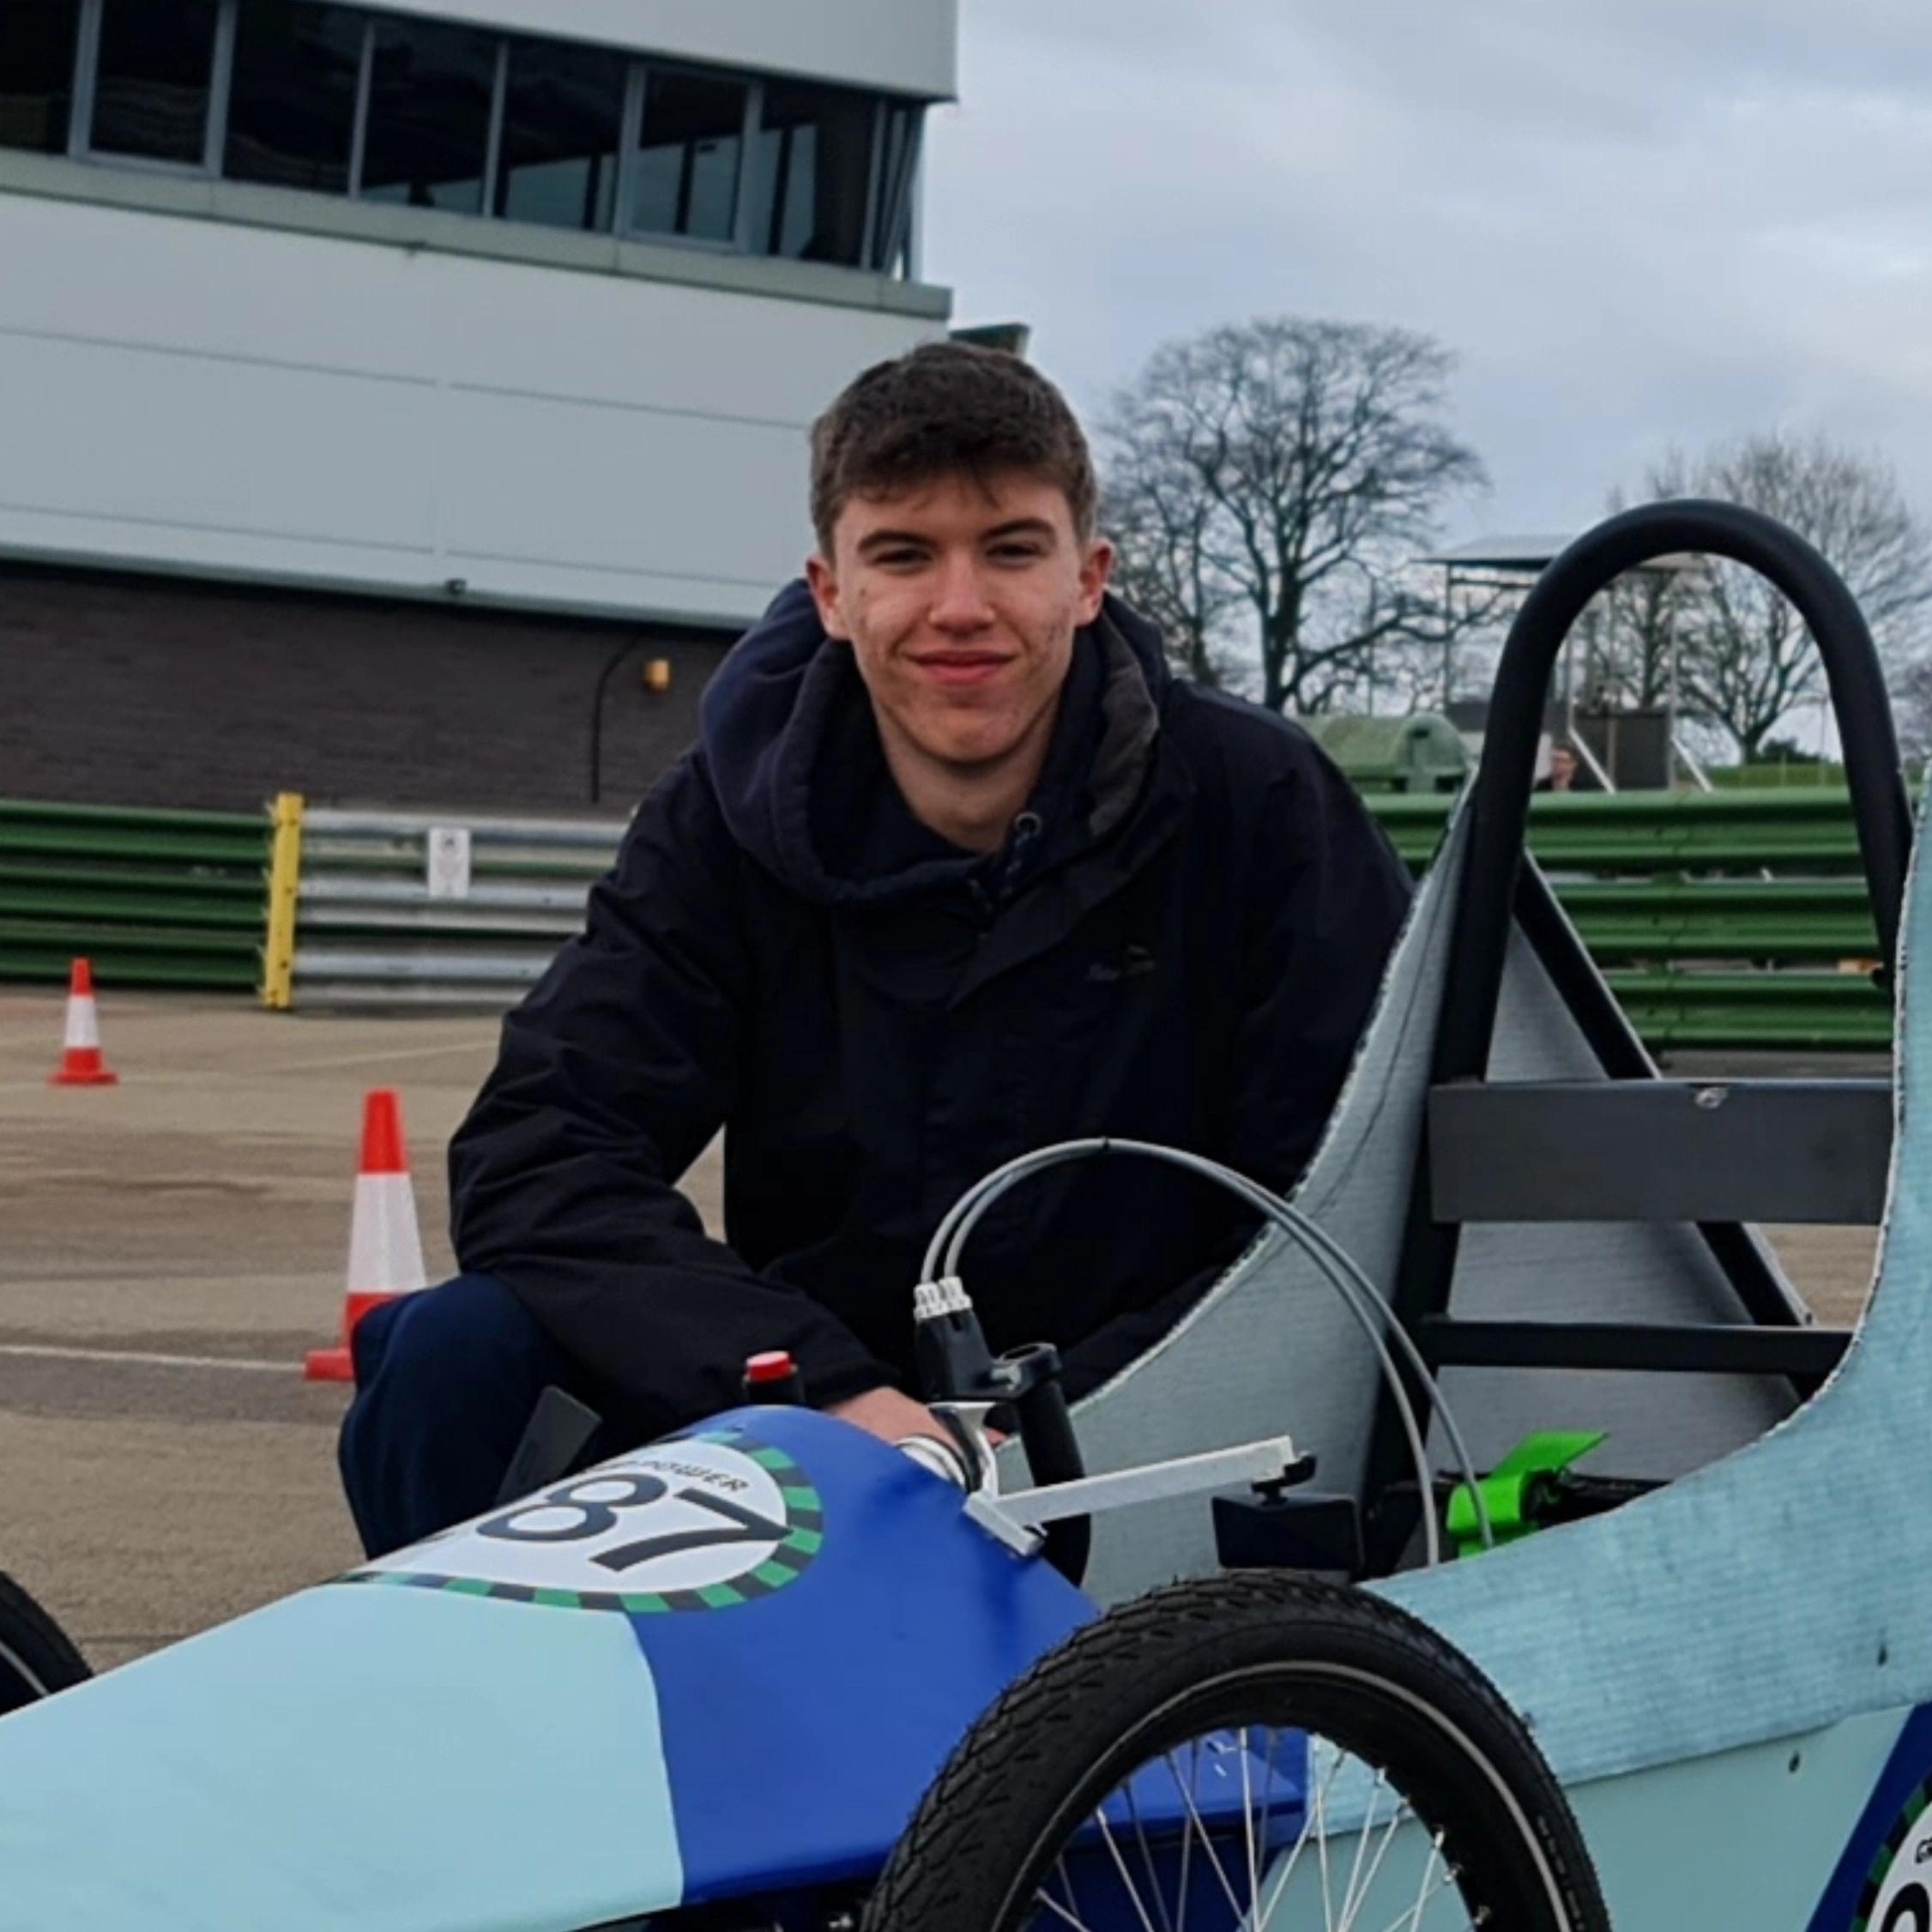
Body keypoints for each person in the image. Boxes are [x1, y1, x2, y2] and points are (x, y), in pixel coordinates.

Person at [338, 343, 1411, 1557]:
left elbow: (1339, 1199)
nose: (961, 606)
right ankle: (528, 1683)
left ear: (1089, 578)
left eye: (1011, 549)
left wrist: (1046, 1424)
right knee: (453, 1353)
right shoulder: (727, 818)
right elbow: (540, 1154)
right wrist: (824, 1393)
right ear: (832, 593)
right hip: (818, 1426)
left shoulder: (1261, 804)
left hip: (1155, 1426)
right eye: (904, 555)